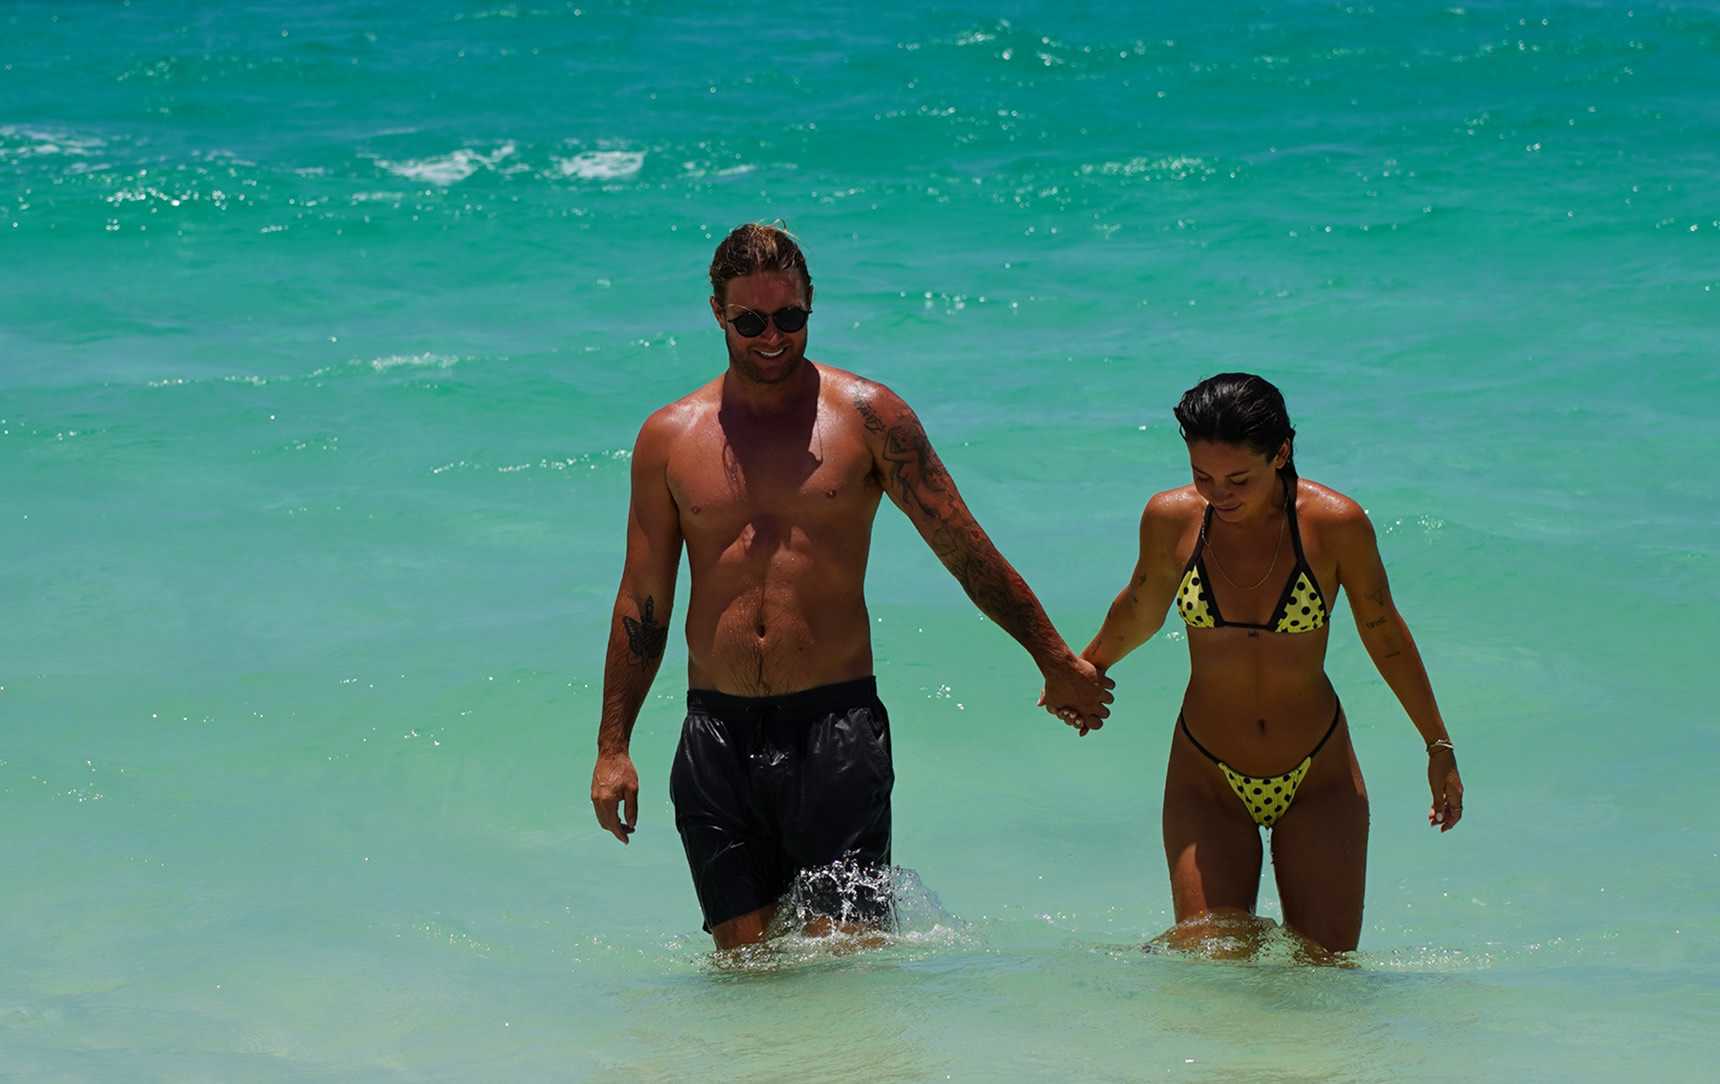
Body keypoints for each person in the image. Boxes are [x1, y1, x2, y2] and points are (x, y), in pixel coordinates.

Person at [589, 223, 1113, 949]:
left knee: (849, 966)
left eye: (790, 317)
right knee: (746, 974)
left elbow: (961, 546)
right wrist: (612, 745)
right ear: (716, 312)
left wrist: (1053, 656)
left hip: (835, 732)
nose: (772, 336)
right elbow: (641, 599)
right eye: (750, 321)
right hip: (716, 735)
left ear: (811, 304)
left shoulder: (869, 418)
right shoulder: (669, 438)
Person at [1078, 373, 1463, 954]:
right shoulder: (1171, 519)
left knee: (1323, 972)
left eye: (1238, 478)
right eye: (1201, 476)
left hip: (1317, 776)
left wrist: (1438, 746)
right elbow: (1138, 608)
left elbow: (1384, 634)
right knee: (1212, 959)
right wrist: (1084, 669)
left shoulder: (1335, 524)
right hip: (1206, 776)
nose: (1218, 494)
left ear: (1281, 451)